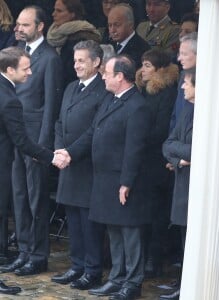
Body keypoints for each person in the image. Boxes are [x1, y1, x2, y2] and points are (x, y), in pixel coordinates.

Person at [56, 55, 151, 300]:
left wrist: (126, 182)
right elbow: (91, 133)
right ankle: (116, 278)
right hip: (104, 179)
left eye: (107, 73)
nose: (104, 76)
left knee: (130, 234)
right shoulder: (111, 99)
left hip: (123, 181)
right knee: (114, 232)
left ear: (120, 76)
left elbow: (135, 149)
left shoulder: (137, 106)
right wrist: (69, 152)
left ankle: (132, 283)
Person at [0, 5, 63, 277]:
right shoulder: (15, 53)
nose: (19, 28)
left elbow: (51, 105)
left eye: (25, 25)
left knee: (37, 199)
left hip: (35, 139)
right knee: (19, 197)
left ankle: (38, 255)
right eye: (18, 24)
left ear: (40, 27)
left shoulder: (50, 58)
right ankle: (24, 250)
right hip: (15, 138)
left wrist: (44, 144)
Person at [51, 40, 108, 290]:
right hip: (68, 163)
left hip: (86, 165)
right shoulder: (71, 87)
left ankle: (92, 269)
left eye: (82, 60)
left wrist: (70, 153)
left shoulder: (103, 90)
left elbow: (94, 130)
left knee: (88, 221)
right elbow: (59, 123)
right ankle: (76, 265)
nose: (76, 65)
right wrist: (59, 150)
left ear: (96, 62)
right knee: (73, 218)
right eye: (75, 60)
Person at [135, 48, 178, 277]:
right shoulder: (142, 91)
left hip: (156, 161)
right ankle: (141, 257)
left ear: (160, 69)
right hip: (141, 160)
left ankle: (155, 259)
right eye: (143, 64)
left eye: (149, 65)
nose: (143, 69)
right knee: (142, 211)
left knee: (156, 213)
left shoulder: (166, 93)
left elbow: (162, 128)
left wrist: (138, 137)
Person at [160, 68, 195, 300]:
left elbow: (197, 149)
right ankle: (183, 284)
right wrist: (179, 159)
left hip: (196, 188)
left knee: (193, 240)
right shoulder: (187, 110)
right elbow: (168, 143)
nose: (182, 87)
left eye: (187, 83)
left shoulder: (207, 112)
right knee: (184, 237)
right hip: (182, 180)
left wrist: (180, 154)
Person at [47, 0, 101, 87]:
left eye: (59, 11)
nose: (53, 14)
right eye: (54, 10)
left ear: (72, 14)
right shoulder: (53, 34)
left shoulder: (83, 36)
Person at [107, 3, 150, 68]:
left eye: (117, 25)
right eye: (110, 25)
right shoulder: (108, 43)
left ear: (130, 25)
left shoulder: (142, 49)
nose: (112, 30)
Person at [169, 32, 197, 131]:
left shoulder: (209, 80)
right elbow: (175, 114)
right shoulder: (183, 75)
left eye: (184, 54)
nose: (179, 58)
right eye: (179, 53)